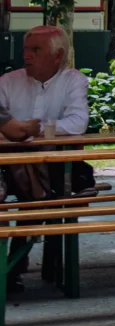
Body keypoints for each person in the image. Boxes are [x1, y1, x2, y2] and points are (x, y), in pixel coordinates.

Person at [0, 24, 89, 209]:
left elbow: (78, 123)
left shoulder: (73, 80)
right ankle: (36, 213)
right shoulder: (7, 82)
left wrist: (31, 130)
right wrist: (20, 130)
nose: (27, 55)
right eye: (26, 49)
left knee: (38, 171)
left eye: (36, 50)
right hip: (10, 166)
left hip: (54, 165)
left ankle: (32, 220)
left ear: (57, 56)